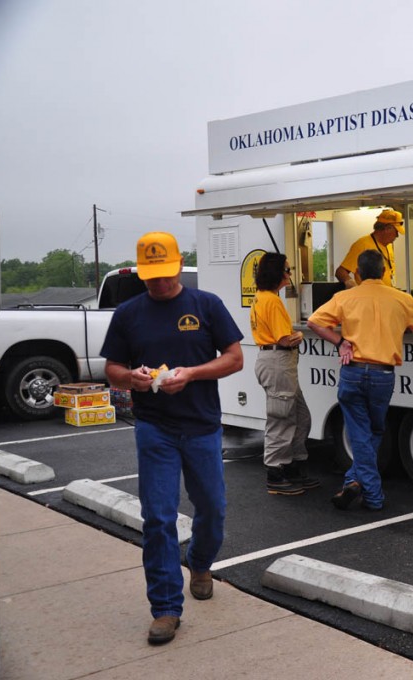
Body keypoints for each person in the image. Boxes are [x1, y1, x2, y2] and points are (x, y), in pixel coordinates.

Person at [101, 231, 244, 645]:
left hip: (201, 426)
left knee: (213, 509)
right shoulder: (128, 313)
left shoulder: (206, 306)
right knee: (159, 518)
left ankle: (200, 562)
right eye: (150, 277)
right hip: (154, 429)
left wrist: (192, 373)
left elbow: (234, 358)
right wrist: (132, 379)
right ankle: (165, 608)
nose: (158, 284)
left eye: (164, 275)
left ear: (180, 265)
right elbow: (112, 367)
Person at [307, 250, 413, 511]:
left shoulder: (345, 297)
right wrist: (404, 324)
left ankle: (353, 482)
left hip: (352, 372)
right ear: (384, 272)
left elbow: (314, 322)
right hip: (382, 374)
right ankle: (374, 496)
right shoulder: (401, 299)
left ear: (358, 273)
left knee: (362, 434)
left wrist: (341, 341)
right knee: (373, 431)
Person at [250, 252, 319, 496]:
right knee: (282, 419)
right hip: (278, 360)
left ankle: (293, 466)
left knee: (300, 416)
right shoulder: (272, 301)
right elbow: (284, 338)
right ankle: (275, 473)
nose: (290, 274)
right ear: (277, 273)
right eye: (287, 270)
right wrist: (299, 336)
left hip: (274, 361)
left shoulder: (262, 297)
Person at [335, 208, 404, 288]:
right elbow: (340, 272)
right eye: (396, 231)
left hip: (387, 295)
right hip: (368, 297)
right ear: (387, 229)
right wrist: (353, 287)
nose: (397, 235)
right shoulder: (362, 245)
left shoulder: (389, 245)